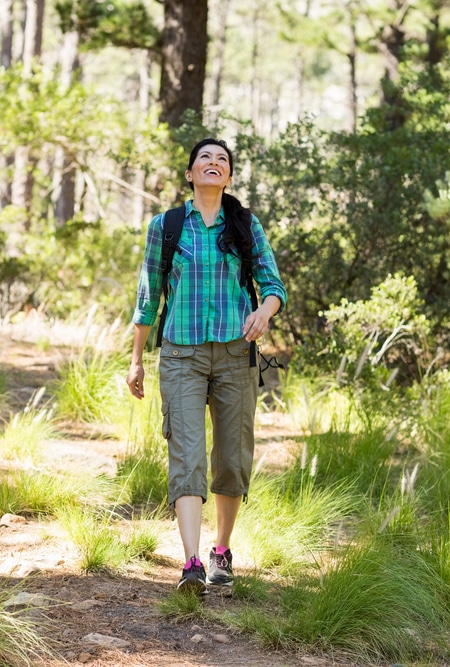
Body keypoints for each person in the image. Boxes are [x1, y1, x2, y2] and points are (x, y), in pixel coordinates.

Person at [126, 138, 286, 593]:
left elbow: (273, 284)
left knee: (232, 460)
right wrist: (137, 360)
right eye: (204, 159)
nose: (213, 164)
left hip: (237, 355)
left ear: (229, 176)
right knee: (188, 456)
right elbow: (147, 296)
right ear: (190, 174)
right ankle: (192, 562)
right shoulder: (168, 225)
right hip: (181, 355)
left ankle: (221, 551)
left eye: (222, 160)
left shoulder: (245, 225)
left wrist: (263, 312)